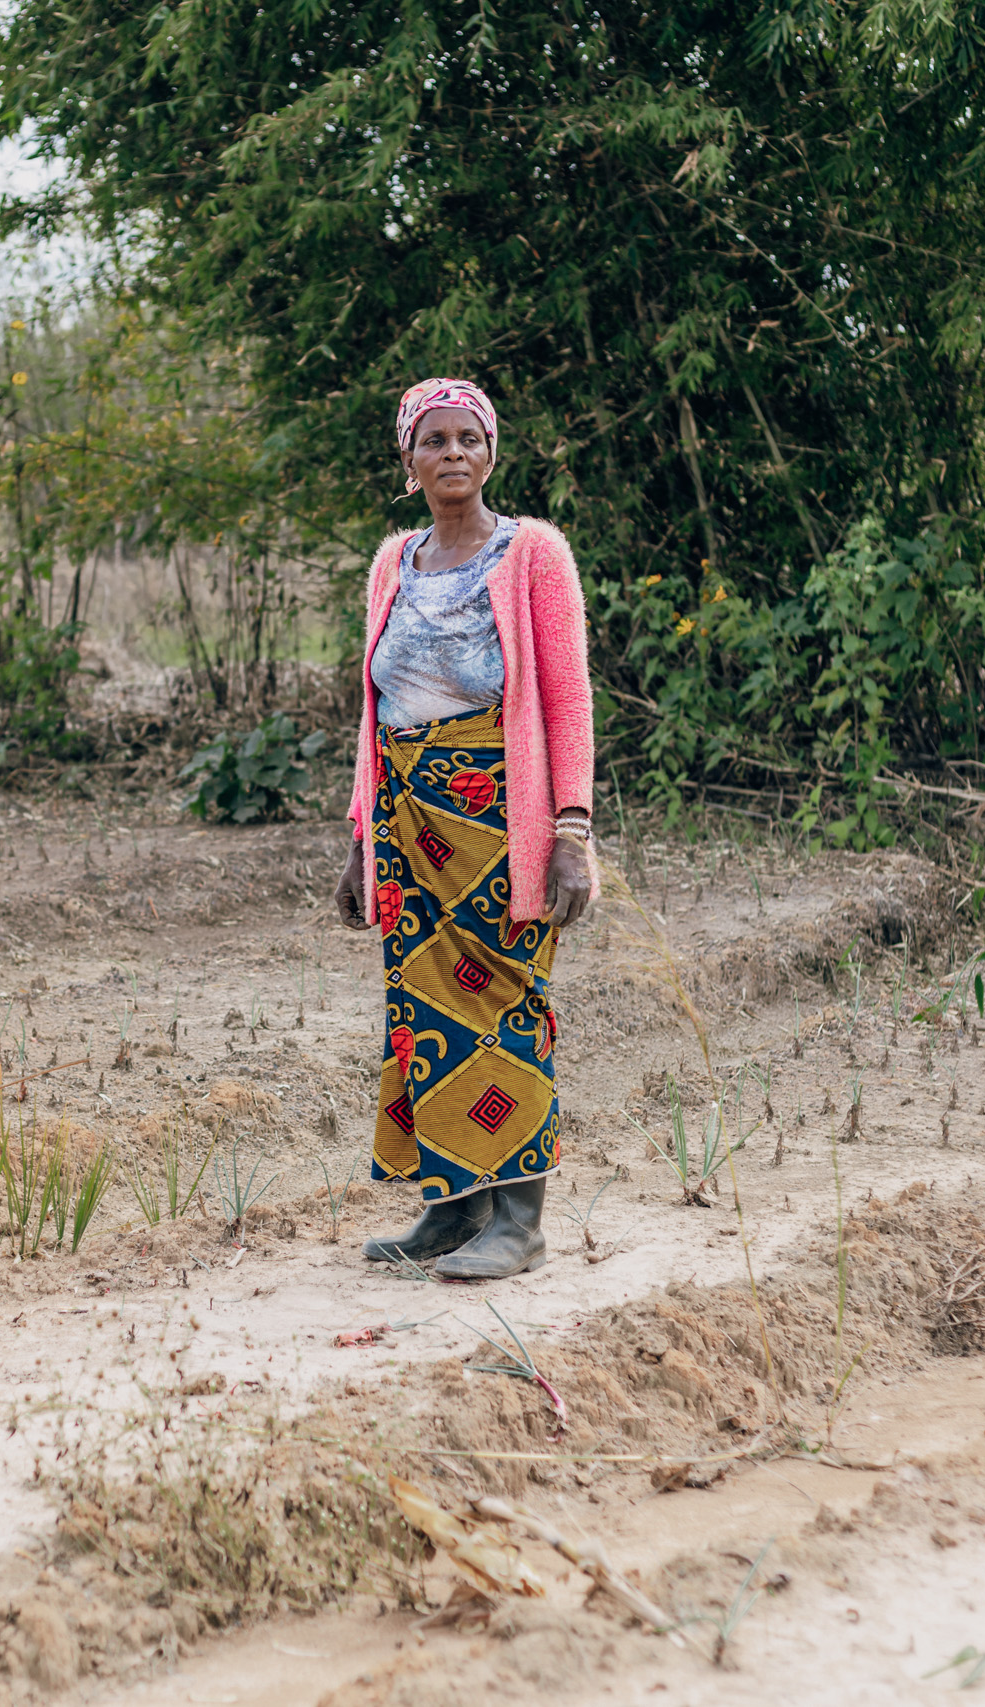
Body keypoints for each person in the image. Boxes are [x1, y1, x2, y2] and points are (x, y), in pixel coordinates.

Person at [332, 377, 596, 1282]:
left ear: (492, 453)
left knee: (503, 1000)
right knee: (421, 1010)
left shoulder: (534, 555)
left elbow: (565, 699)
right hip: (408, 818)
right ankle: (450, 1211)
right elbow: (375, 707)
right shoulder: (392, 563)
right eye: (433, 440)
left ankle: (519, 1222)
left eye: (468, 439)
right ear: (407, 459)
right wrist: (363, 834)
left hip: (497, 814)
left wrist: (571, 830)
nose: (453, 454)